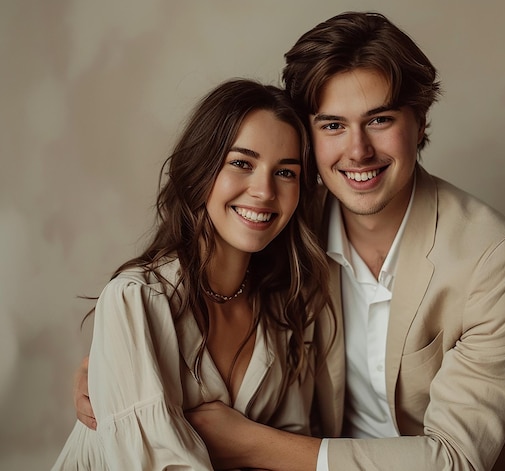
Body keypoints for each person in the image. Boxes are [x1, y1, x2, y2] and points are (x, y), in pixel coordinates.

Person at [74, 11, 505, 471]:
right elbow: (180, 302)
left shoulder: (498, 258)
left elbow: (454, 461)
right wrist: (119, 365)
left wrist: (246, 440)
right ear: (309, 137)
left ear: (421, 122)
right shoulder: (282, 220)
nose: (358, 151)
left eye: (380, 120)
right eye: (333, 125)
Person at [53, 79, 333, 470]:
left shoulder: (286, 311)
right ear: (202, 169)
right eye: (241, 164)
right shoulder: (135, 300)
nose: (264, 190)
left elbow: (288, 447)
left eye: (286, 173)